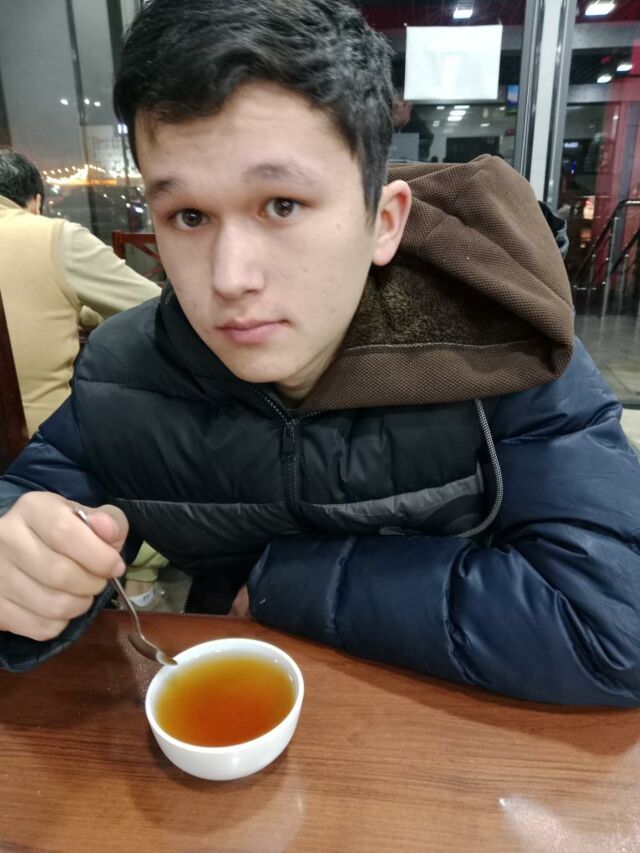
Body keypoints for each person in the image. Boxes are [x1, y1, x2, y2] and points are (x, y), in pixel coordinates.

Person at [0, 0, 639, 707]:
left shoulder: (507, 350)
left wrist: (285, 581)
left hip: (450, 731)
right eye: (189, 216)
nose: (229, 278)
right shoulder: (126, 374)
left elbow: (615, 627)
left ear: (383, 222)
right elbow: (28, 505)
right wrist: (20, 561)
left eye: (282, 204)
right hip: (225, 731)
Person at [0, 149, 160, 435]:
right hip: (40, 443)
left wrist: (73, 307)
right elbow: (157, 305)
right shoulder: (54, 236)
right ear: (36, 201)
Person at [392, 89, 434, 161]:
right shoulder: (392, 129)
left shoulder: (421, 134)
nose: (392, 112)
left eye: (396, 107)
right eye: (391, 107)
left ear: (408, 107)